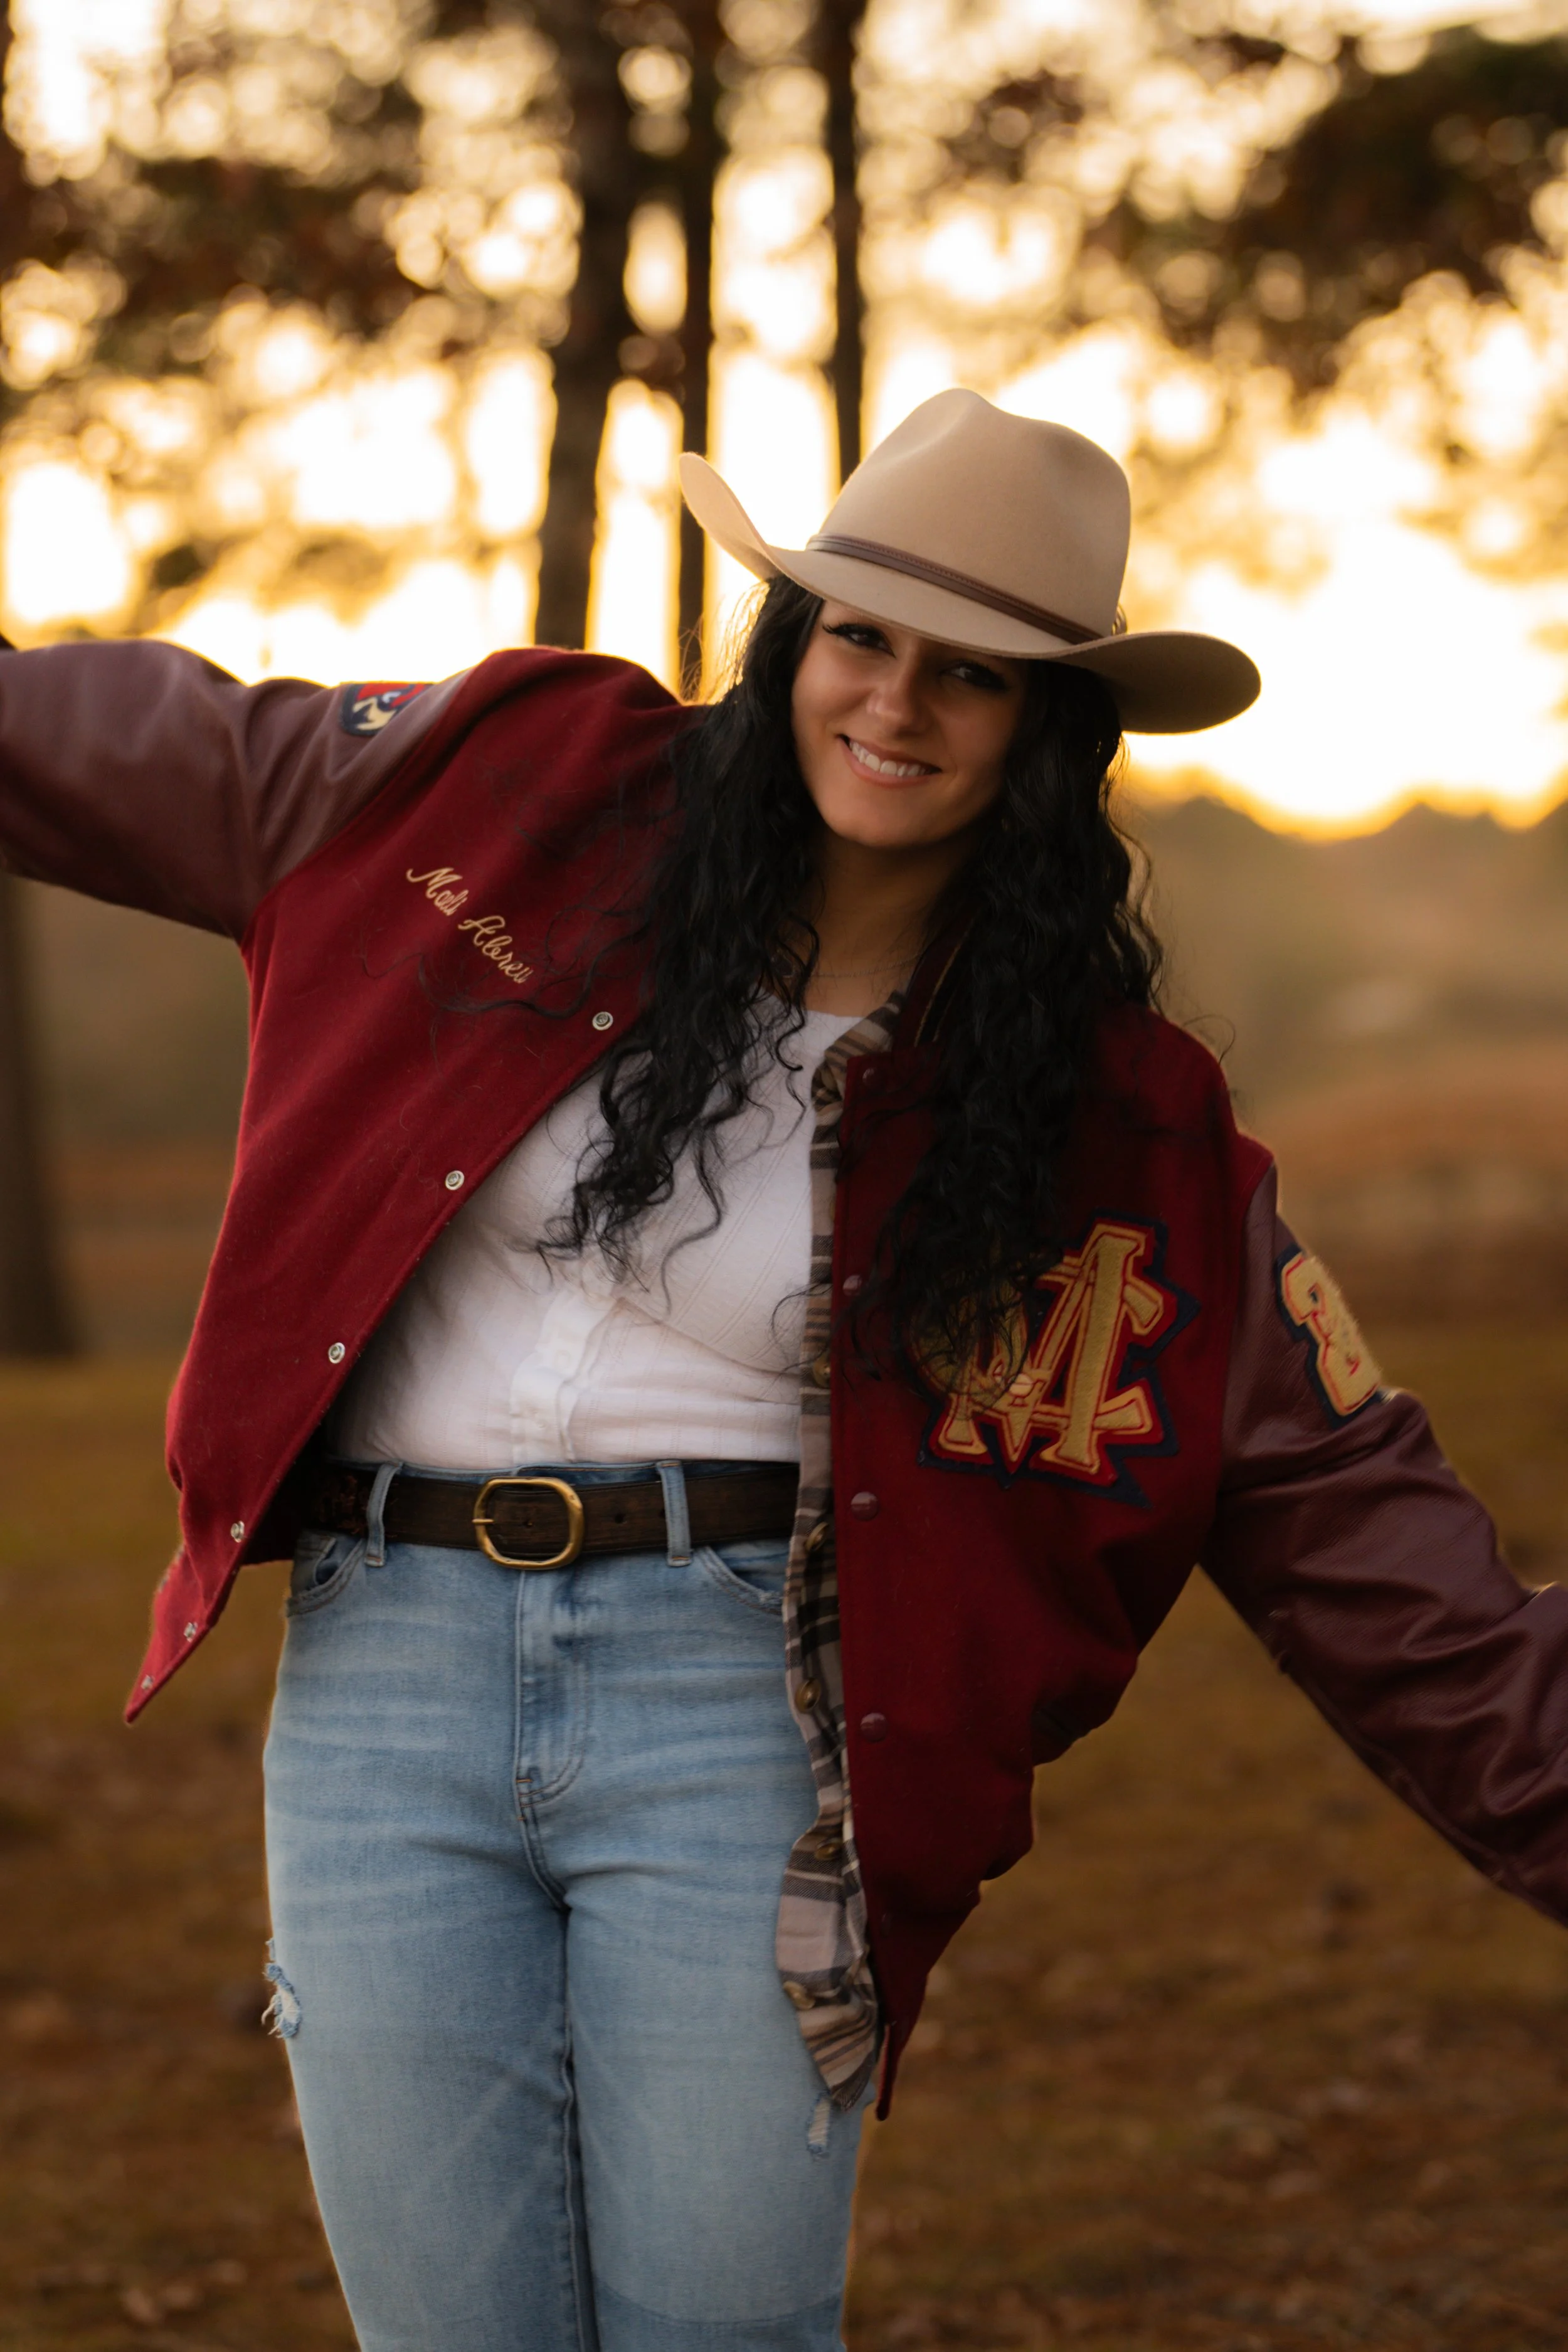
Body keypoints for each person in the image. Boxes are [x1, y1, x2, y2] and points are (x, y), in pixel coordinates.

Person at [4, 387, 1567, 2352]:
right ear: (789, 639)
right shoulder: (501, 799)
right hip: (383, 1677)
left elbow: (1382, 1564)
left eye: (972, 676)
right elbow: (110, 745)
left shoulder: (1115, 1139)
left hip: (741, 1720)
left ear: (1049, 732)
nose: (895, 705)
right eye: (860, 636)